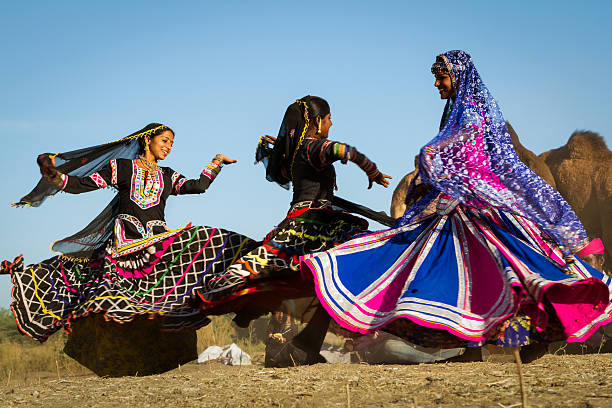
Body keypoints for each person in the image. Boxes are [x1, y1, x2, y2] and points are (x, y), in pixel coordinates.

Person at [301, 51, 612, 362]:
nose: (437, 83)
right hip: (463, 205)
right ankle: (479, 349)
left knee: (505, 276)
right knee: (477, 278)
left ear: (459, 77)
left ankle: (520, 341)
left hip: (479, 206)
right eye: (436, 77)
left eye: (442, 77)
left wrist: (430, 155)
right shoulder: (458, 110)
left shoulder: (471, 112)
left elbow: (469, 153)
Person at [1, 123, 256, 342]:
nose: (168, 147)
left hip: (158, 240)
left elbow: (198, 186)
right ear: (148, 139)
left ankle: (247, 295)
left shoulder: (167, 175)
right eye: (164, 141)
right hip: (125, 242)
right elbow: (80, 185)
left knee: (210, 241)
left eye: (172, 144)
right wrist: (55, 177)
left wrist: (217, 162)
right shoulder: (121, 167)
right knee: (86, 282)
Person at [209, 96, 391, 366]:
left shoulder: (297, 151)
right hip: (313, 224)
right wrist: (372, 171)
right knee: (328, 279)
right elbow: (347, 151)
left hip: (302, 221)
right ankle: (292, 349)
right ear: (317, 121)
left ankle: (294, 349)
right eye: (329, 118)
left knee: (306, 284)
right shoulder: (314, 147)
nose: (332, 122)